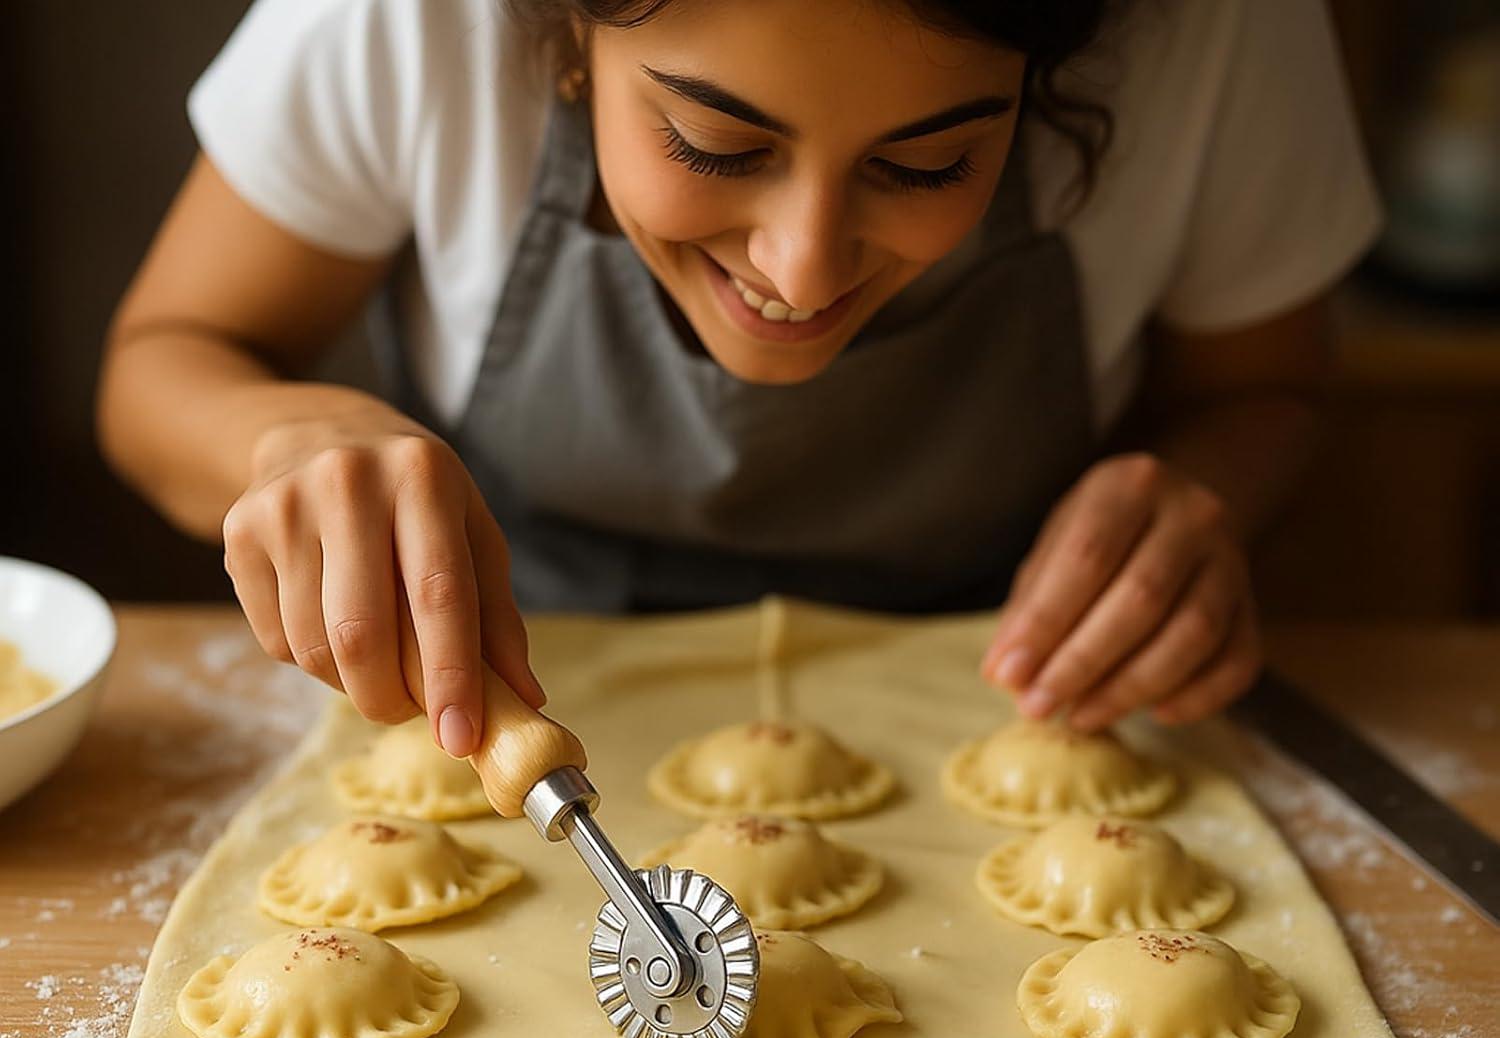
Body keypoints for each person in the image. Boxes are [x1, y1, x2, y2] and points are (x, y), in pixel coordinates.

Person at [97, 0, 1380, 761]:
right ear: (571, 36)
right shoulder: (408, 23)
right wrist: (288, 434)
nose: (801, 264)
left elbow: (1267, 390)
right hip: (496, 700)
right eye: (715, 143)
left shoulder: (1212, 30)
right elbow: (161, 364)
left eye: (926, 165)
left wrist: (1205, 495)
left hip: (1012, 708)